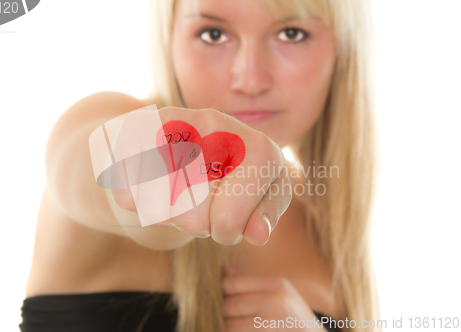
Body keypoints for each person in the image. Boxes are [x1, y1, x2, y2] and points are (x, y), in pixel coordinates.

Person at [19, 0, 381, 331]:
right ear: (170, 39)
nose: (250, 79)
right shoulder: (111, 122)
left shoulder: (330, 228)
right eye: (213, 34)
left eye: (292, 33)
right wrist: (158, 169)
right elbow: (86, 162)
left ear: (343, 47)